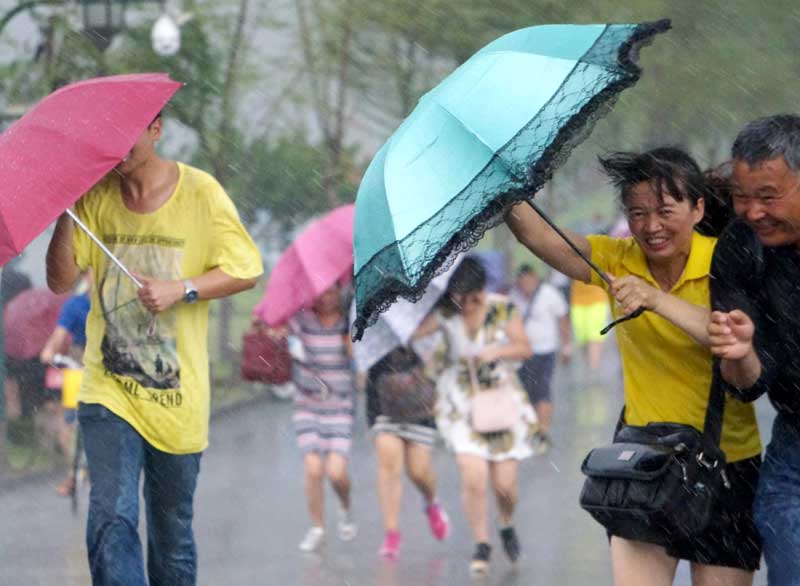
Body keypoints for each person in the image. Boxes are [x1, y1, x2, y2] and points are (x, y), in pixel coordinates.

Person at [505, 147, 762, 586]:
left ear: (698, 208)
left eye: (664, 211)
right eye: (637, 213)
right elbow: (541, 238)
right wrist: (501, 191)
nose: (651, 226)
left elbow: (729, 336)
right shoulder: (616, 259)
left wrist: (655, 298)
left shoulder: (726, 258)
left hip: (726, 464)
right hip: (644, 464)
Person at [45, 113, 263, 586]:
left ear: (156, 129)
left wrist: (181, 288)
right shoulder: (94, 196)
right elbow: (60, 281)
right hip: (108, 391)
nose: (118, 146)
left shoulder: (201, 194)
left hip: (177, 398)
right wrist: (65, 211)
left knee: (172, 538)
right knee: (112, 515)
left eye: (129, 134)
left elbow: (245, 268)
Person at [707, 114, 800, 586]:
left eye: (768, 196)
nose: (753, 212)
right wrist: (740, 352)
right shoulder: (740, 248)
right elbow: (748, 384)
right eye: (742, 197)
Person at [419, 257, 536, 575]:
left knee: (505, 486)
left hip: (500, 400)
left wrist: (496, 351)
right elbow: (413, 334)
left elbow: (525, 347)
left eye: (474, 296)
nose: (469, 304)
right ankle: (482, 543)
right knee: (473, 477)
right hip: (460, 404)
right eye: (462, 297)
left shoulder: (502, 308)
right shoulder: (446, 313)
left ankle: (505, 521)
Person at [364, 337, 450, 559]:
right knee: (389, 462)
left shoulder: (421, 318)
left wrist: (415, 336)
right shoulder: (370, 319)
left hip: (418, 394)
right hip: (381, 396)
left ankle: (431, 502)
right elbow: (354, 345)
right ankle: (392, 533)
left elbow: (440, 348)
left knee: (418, 471)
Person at [289, 284, 358, 553]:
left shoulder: (349, 321)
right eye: (321, 292)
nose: (327, 298)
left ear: (340, 291)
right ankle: (317, 527)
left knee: (336, 472)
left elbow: (357, 359)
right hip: (307, 403)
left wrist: (350, 337)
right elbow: (286, 339)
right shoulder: (302, 319)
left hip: (339, 406)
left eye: (332, 292)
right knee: (314, 468)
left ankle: (345, 505)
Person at [508, 264, 570, 453]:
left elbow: (563, 318)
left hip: (545, 350)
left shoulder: (549, 294)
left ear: (535, 279)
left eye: (528, 281)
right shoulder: (513, 296)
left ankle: (543, 431)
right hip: (520, 353)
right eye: (522, 282)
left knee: (542, 390)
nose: (526, 285)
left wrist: (566, 346)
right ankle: (528, 429)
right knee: (523, 392)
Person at [39, 272, 91, 496]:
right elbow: (59, 335)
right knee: (69, 420)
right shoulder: (75, 305)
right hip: (79, 363)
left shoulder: (112, 303)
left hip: (108, 361)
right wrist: (49, 351)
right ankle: (73, 472)